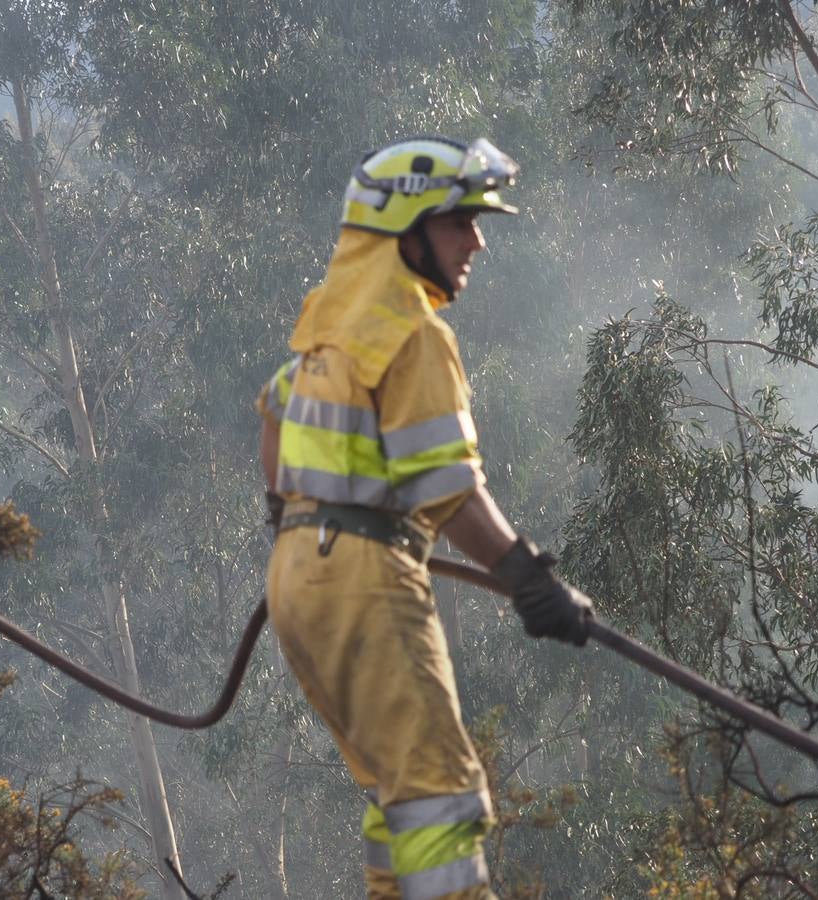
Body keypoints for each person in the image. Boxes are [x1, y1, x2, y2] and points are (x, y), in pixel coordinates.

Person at [256, 136, 594, 900]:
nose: (476, 240)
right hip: (364, 582)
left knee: (399, 792)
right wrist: (528, 581)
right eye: (458, 222)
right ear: (404, 230)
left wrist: (297, 525)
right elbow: (447, 489)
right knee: (440, 787)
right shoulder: (412, 332)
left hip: (298, 580)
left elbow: (272, 416)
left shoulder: (328, 327)